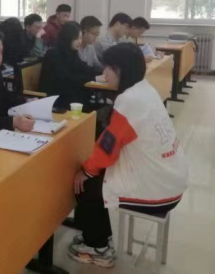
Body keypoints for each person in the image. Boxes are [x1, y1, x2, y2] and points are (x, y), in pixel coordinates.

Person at [69, 43, 188, 268]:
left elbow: (108, 148)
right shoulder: (145, 89)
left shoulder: (129, 100)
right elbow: (114, 139)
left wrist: (86, 171)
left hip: (158, 190)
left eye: (108, 68)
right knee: (97, 174)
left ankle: (99, 249)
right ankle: (98, 236)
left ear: (122, 70)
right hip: (172, 178)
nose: (104, 73)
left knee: (87, 184)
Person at [40, 22, 98, 110]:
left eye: (80, 38)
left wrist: (102, 73)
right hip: (57, 98)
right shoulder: (54, 55)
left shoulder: (72, 52)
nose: (79, 41)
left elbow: (83, 68)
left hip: (69, 94)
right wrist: (94, 78)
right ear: (67, 38)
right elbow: (67, 79)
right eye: (76, 38)